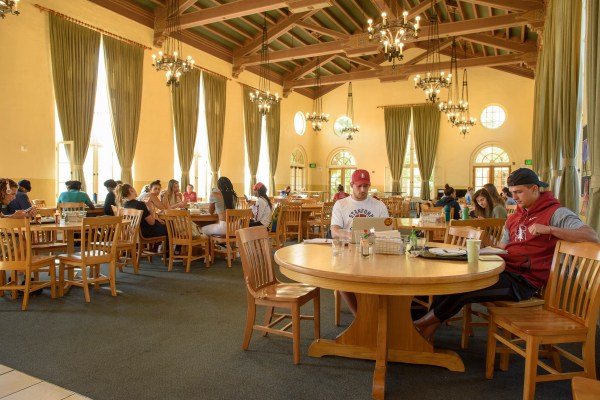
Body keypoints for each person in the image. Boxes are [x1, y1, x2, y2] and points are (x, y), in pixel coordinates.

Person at [413, 168, 599, 340]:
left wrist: (550, 229)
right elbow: (503, 247)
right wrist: (483, 251)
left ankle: (419, 326)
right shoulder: (514, 217)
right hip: (504, 271)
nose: (514, 197)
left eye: (519, 192)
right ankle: (426, 333)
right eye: (512, 192)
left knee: (464, 290)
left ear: (534, 189)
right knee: (451, 282)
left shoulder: (556, 213)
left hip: (524, 282)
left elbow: (591, 236)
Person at [330, 169, 389, 316]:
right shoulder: (341, 205)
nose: (363, 190)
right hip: (348, 253)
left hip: (374, 253)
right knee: (341, 278)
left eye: (366, 186)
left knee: (387, 275)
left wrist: (367, 238)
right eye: (359, 186)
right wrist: (356, 236)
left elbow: (386, 232)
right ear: (351, 185)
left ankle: (379, 312)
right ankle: (360, 317)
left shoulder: (379, 205)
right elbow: (335, 231)